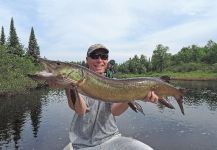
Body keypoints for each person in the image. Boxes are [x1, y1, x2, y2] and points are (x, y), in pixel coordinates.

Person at [49, 44, 159, 150]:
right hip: (82, 144)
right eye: (95, 56)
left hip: (112, 139)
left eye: (104, 56)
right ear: (87, 59)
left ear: (107, 60)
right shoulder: (79, 81)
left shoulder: (115, 83)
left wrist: (134, 94)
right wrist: (69, 87)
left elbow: (115, 111)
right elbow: (81, 110)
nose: (99, 60)